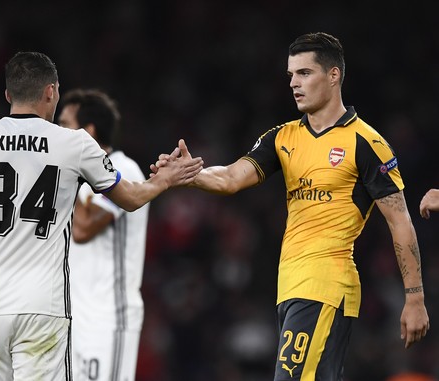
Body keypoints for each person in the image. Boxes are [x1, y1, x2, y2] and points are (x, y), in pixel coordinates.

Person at [0, 51, 203, 381]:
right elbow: (130, 199)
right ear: (51, 91)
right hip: (42, 307)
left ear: (8, 95)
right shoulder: (75, 144)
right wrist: (166, 179)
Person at [151, 32, 430, 380]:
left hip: (326, 285)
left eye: (304, 73)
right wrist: (191, 173)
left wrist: (414, 298)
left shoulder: (366, 142)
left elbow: (400, 220)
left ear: (333, 75)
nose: (294, 83)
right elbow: (231, 177)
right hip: (291, 287)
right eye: (290, 75)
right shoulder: (282, 137)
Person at [57, 88, 148, 381]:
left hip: (108, 319)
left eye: (64, 125)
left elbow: (82, 229)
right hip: (73, 321)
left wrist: (68, 177)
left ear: (89, 132)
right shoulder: (78, 176)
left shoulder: (124, 170)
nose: (57, 133)